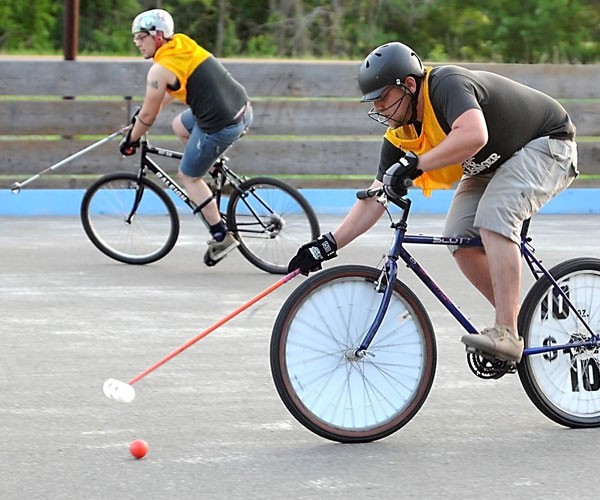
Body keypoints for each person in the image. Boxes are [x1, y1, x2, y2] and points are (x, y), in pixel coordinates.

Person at [288, 42, 578, 364]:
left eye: (384, 98)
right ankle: (525, 320)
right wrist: (326, 245)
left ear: (409, 85)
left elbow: (474, 135)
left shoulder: (446, 84)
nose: (380, 109)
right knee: (458, 236)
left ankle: (507, 333)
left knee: (494, 218)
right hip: (492, 165)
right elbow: (377, 195)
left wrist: (417, 164)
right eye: (374, 103)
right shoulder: (401, 133)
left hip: (546, 144)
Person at [120, 9, 253, 266]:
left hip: (221, 124)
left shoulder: (159, 69)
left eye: (141, 37)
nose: (136, 42)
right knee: (180, 124)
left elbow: (148, 115)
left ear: (157, 36)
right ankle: (216, 173)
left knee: (189, 177)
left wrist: (131, 140)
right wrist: (142, 118)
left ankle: (221, 236)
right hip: (243, 109)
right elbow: (163, 98)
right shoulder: (181, 44)